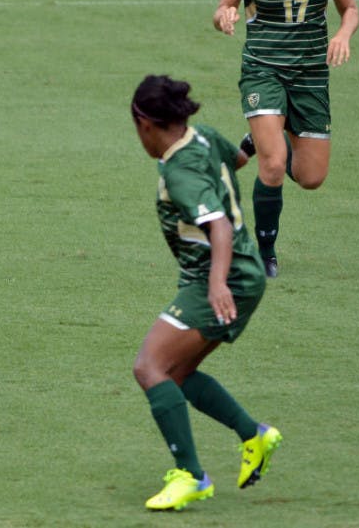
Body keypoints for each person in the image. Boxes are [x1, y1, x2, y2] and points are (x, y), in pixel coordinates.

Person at [130, 75, 281, 511]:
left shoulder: (179, 173)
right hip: (241, 271)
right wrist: (252, 144)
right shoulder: (203, 136)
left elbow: (216, 225)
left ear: (145, 124)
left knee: (150, 367)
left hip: (222, 279)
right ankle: (254, 434)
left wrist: (216, 285)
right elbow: (235, 159)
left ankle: (191, 476)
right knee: (176, 374)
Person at [212, 0, 359, 277]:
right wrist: (224, 15)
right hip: (263, 70)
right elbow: (223, 6)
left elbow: (350, 8)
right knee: (274, 165)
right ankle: (264, 252)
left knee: (310, 177)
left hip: (311, 73)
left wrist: (344, 34)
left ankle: (262, 138)